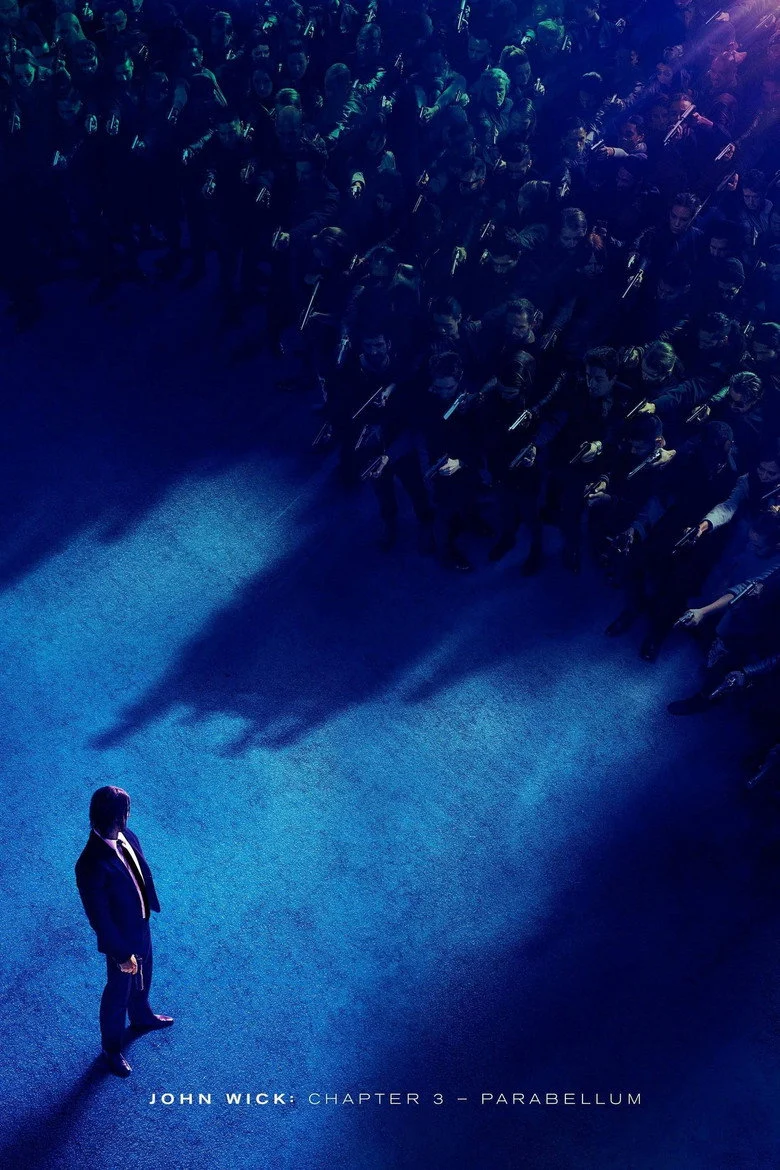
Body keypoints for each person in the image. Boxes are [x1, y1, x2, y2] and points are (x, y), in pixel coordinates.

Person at [75, 786, 173, 1077]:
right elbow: (100, 919)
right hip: (121, 940)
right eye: (126, 812)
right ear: (117, 817)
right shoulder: (90, 865)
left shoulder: (127, 836)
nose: (129, 816)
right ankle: (112, 1048)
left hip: (140, 925)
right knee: (117, 995)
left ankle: (141, 1016)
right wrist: (120, 954)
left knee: (145, 975)